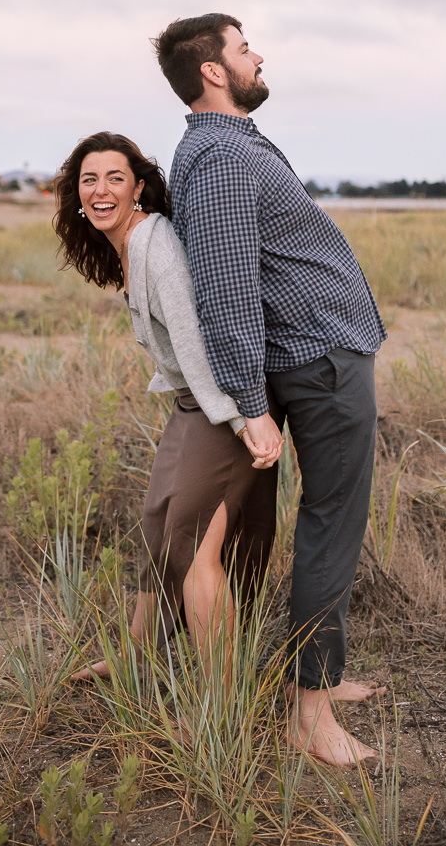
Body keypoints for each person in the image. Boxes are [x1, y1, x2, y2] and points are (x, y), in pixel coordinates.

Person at [152, 15, 387, 767]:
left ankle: (313, 675)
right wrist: (254, 407)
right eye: (244, 46)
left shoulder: (230, 145)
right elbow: (225, 289)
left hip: (315, 356)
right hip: (316, 362)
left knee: (316, 523)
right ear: (214, 71)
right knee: (332, 523)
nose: (259, 56)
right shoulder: (220, 155)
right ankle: (309, 709)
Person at [53, 131, 281, 684]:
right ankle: (136, 656)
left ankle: (220, 698)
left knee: (192, 541)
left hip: (219, 403)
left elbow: (195, 341)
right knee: (157, 525)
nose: (100, 190)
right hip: (191, 402)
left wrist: (242, 418)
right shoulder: (130, 248)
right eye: (89, 180)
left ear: (139, 189)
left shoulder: (156, 245)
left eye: (115, 178)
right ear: (76, 195)